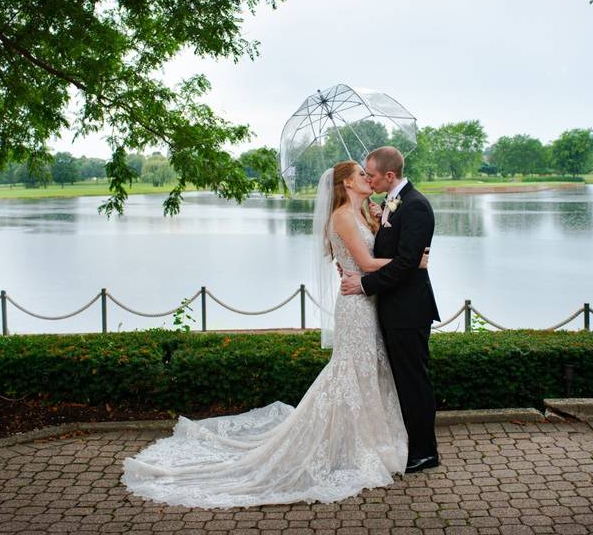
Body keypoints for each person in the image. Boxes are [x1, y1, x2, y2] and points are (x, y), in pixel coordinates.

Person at [121, 160, 426, 508]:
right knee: (348, 371)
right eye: (361, 175)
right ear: (345, 183)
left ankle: (362, 441)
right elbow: (369, 265)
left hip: (369, 302)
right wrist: (412, 261)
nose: (367, 178)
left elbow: (368, 257)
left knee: (366, 371)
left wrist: (375, 221)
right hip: (356, 307)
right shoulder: (342, 216)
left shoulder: (367, 212)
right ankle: (344, 447)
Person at [341, 146, 441, 474]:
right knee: (402, 381)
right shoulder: (391, 204)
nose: (367, 179)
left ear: (388, 175)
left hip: (409, 310)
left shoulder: (416, 206)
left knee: (414, 382)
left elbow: (405, 265)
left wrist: (364, 285)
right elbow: (392, 252)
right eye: (363, 175)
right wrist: (376, 217)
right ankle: (410, 444)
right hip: (393, 308)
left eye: (370, 174)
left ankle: (425, 452)